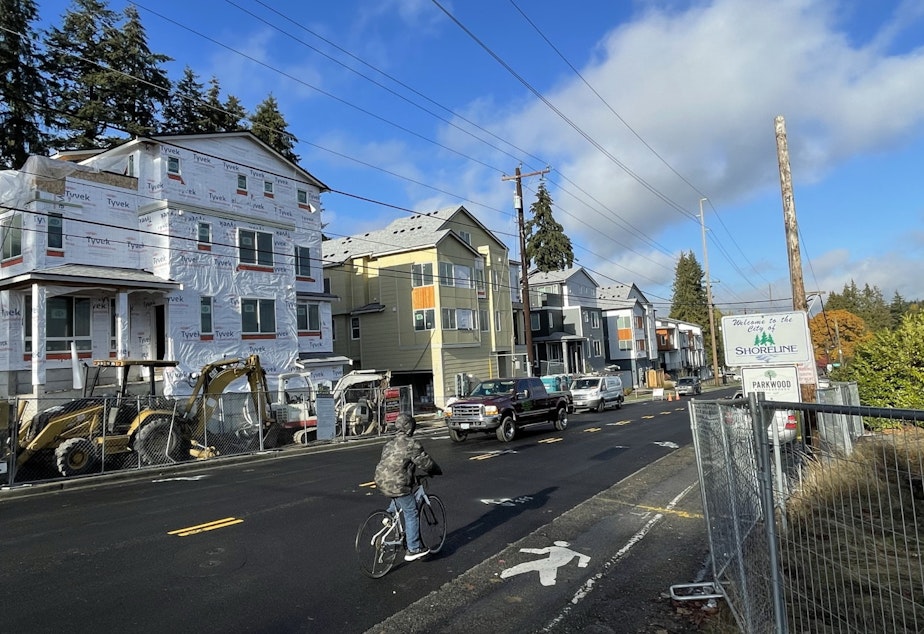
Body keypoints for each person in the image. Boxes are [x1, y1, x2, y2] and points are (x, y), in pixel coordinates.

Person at [374, 413, 442, 561]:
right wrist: (436, 470)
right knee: (411, 512)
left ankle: (389, 515)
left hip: (381, 480)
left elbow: (394, 464)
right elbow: (425, 462)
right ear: (410, 428)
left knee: (399, 497)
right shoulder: (412, 444)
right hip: (398, 483)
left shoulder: (389, 443)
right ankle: (413, 549)